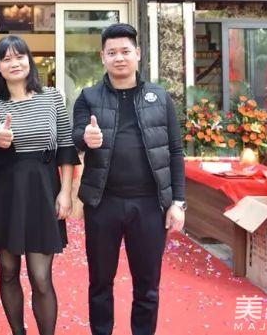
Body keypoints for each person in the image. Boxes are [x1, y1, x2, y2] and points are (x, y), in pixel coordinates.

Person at [71, 23, 186, 335]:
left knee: (147, 286)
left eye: (125, 51)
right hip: (103, 204)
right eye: (112, 53)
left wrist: (178, 202)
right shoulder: (88, 97)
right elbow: (75, 136)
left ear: (138, 53)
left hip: (149, 205)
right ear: (103, 57)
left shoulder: (159, 97)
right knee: (100, 282)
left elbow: (175, 151)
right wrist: (86, 137)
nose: (119, 58)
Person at [0, 35, 79, 335]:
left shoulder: (52, 97)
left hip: (43, 189)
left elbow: (66, 145)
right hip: (6, 191)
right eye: (6, 58)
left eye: (19, 56)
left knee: (40, 276)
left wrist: (65, 192)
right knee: (8, 272)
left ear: (29, 61)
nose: (14, 63)